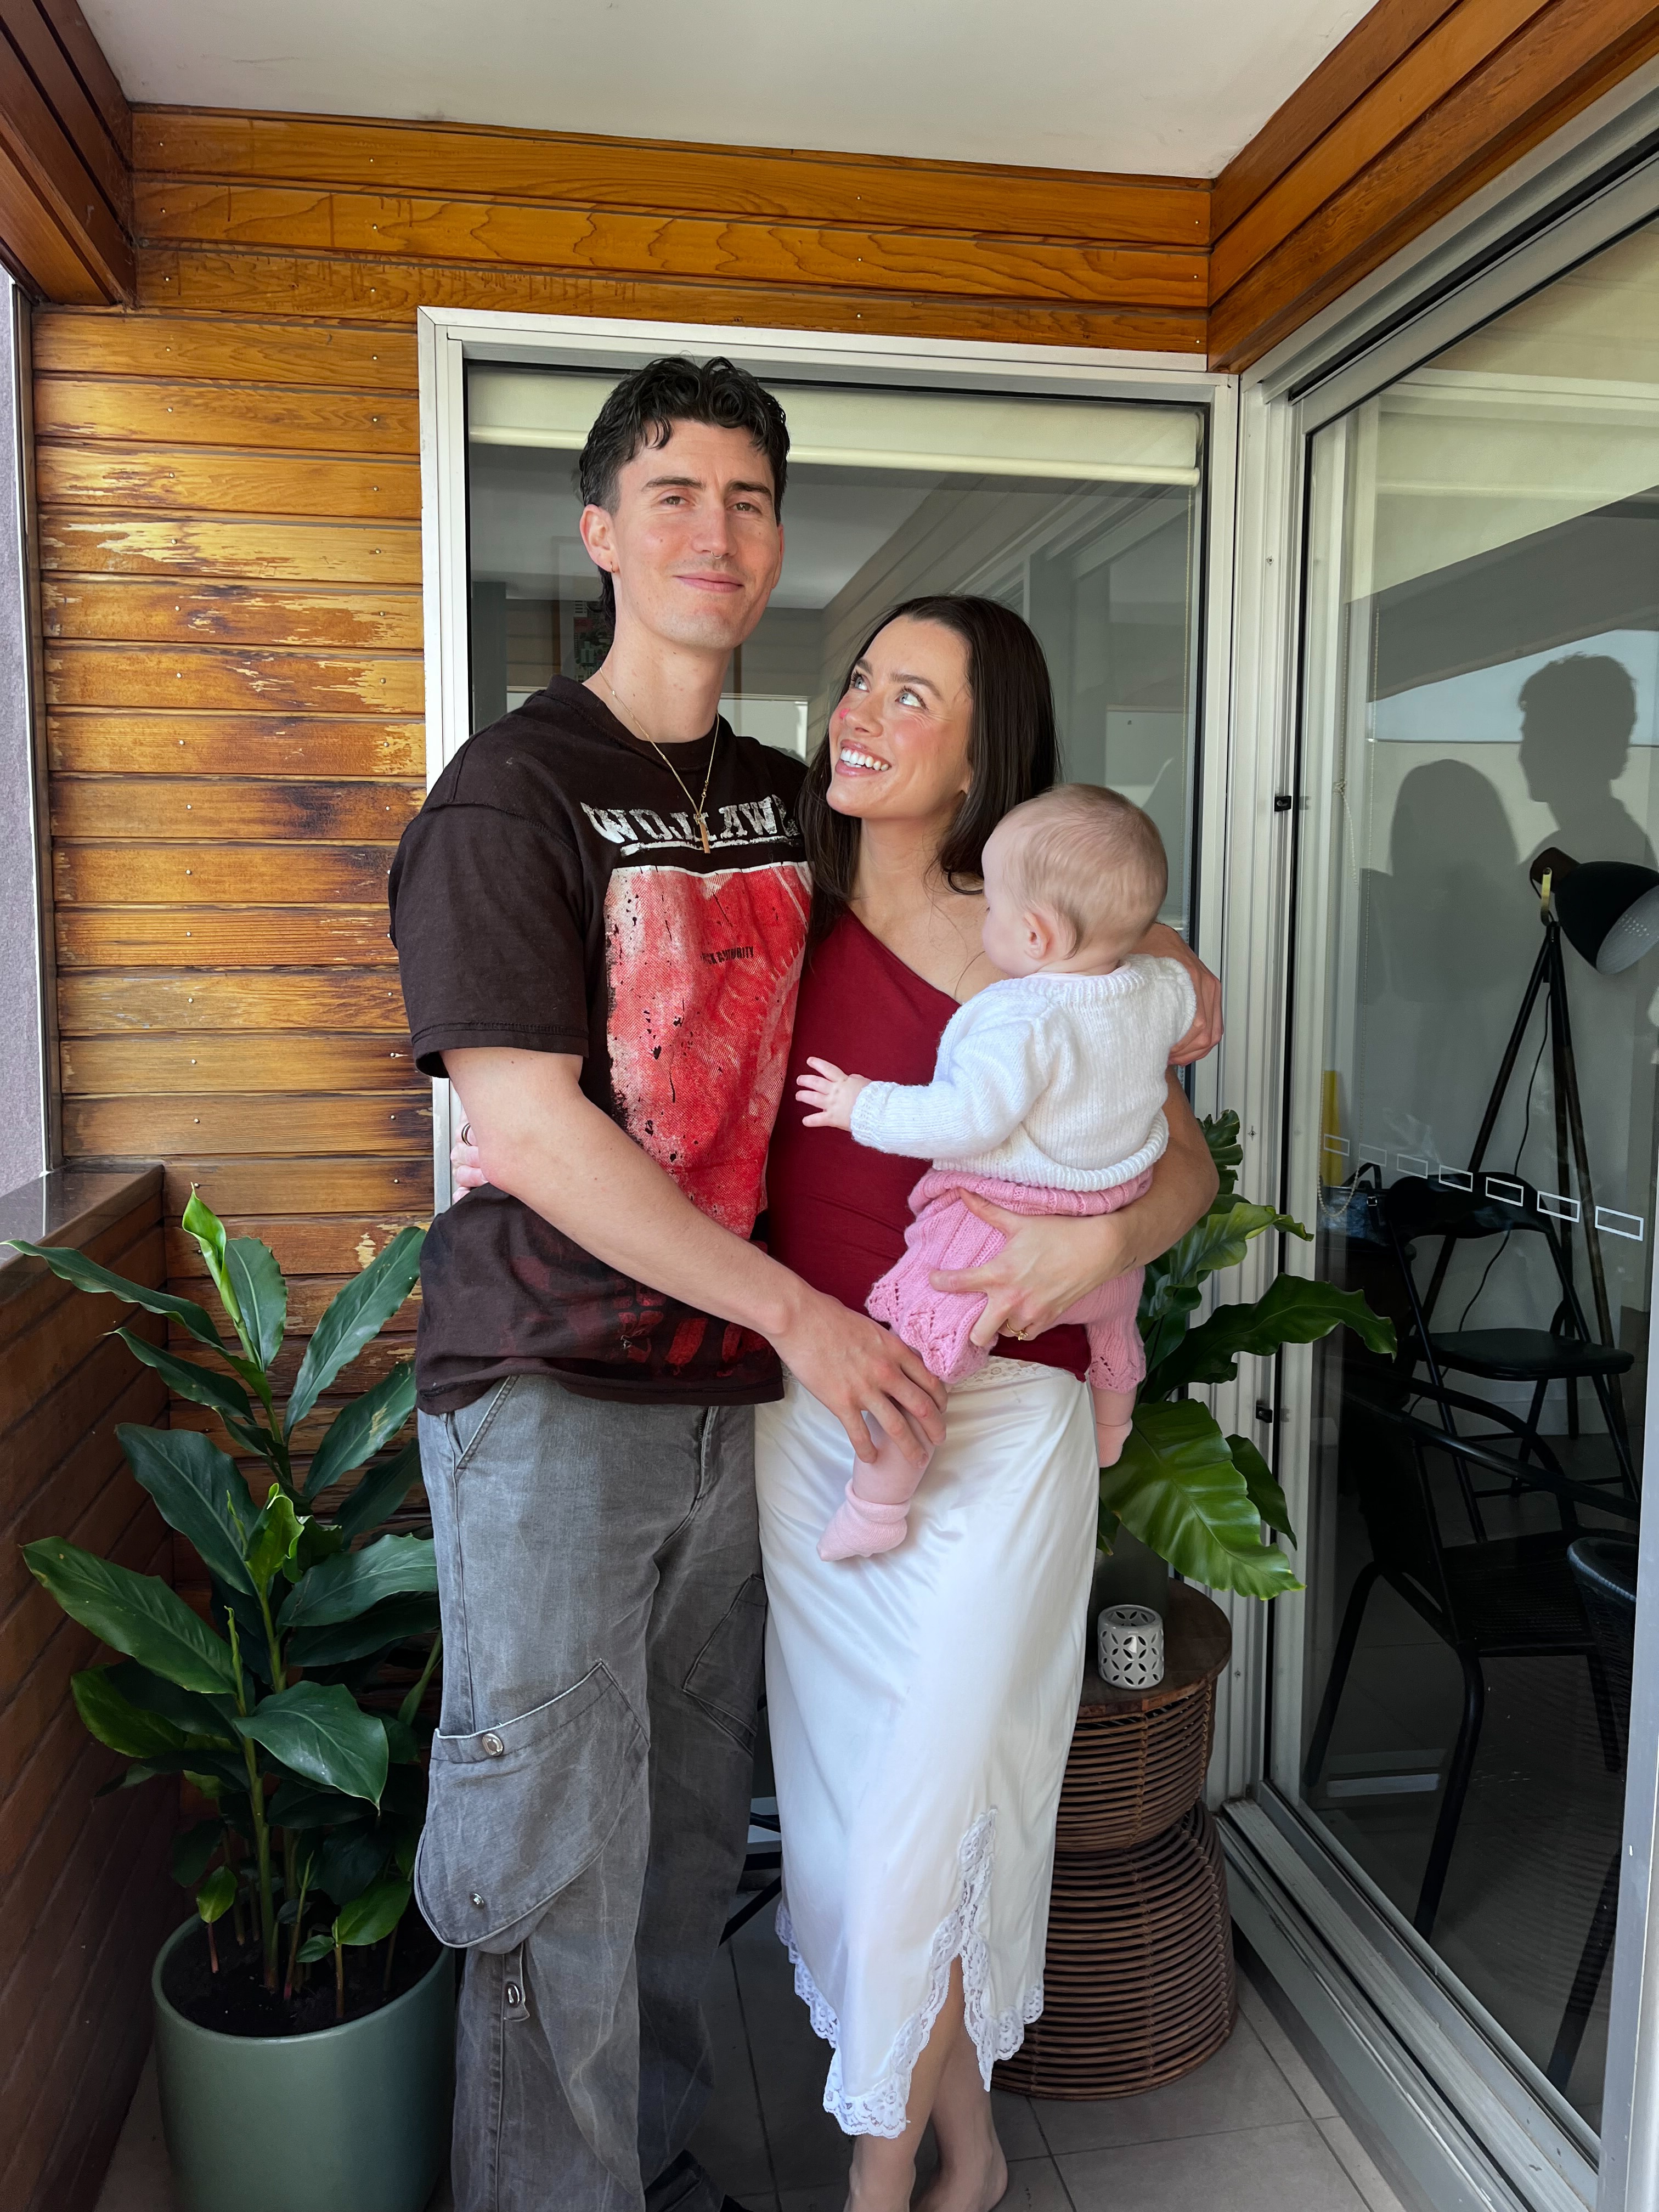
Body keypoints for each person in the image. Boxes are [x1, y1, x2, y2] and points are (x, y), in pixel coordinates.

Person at [416, 358, 1220, 2212]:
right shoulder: (535, 801)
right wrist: (798, 1316)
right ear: (601, 530)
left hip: (788, 1413)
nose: (716, 531)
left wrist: (1104, 1213)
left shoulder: (849, 845)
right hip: (629, 1389)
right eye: (673, 494)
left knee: (701, 1835)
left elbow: (1143, 1091)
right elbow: (528, 1131)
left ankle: (765, 2160)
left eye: (748, 499)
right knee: (582, 1848)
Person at [757, 599, 1220, 2212]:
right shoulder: (775, 915)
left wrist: (1095, 1240)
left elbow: (1188, 1165)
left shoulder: (1051, 933)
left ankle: (875, 2189)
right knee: (843, 1816)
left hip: (1004, 1425)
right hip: (818, 1411)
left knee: (941, 1791)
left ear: (982, 751)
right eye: (861, 681)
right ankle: (971, 2150)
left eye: (916, 695)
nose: (865, 713)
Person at [794, 782, 1195, 1562]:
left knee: (919, 1347)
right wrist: (1166, 945)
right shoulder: (1159, 989)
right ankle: (1113, 1423)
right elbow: (1181, 1002)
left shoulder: (1025, 1018)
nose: (983, 919)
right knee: (1113, 1318)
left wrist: (860, 1104)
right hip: (1111, 1200)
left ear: (1037, 936)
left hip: (1000, 1214)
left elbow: (964, 1118)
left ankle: (879, 1503)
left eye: (994, 907)